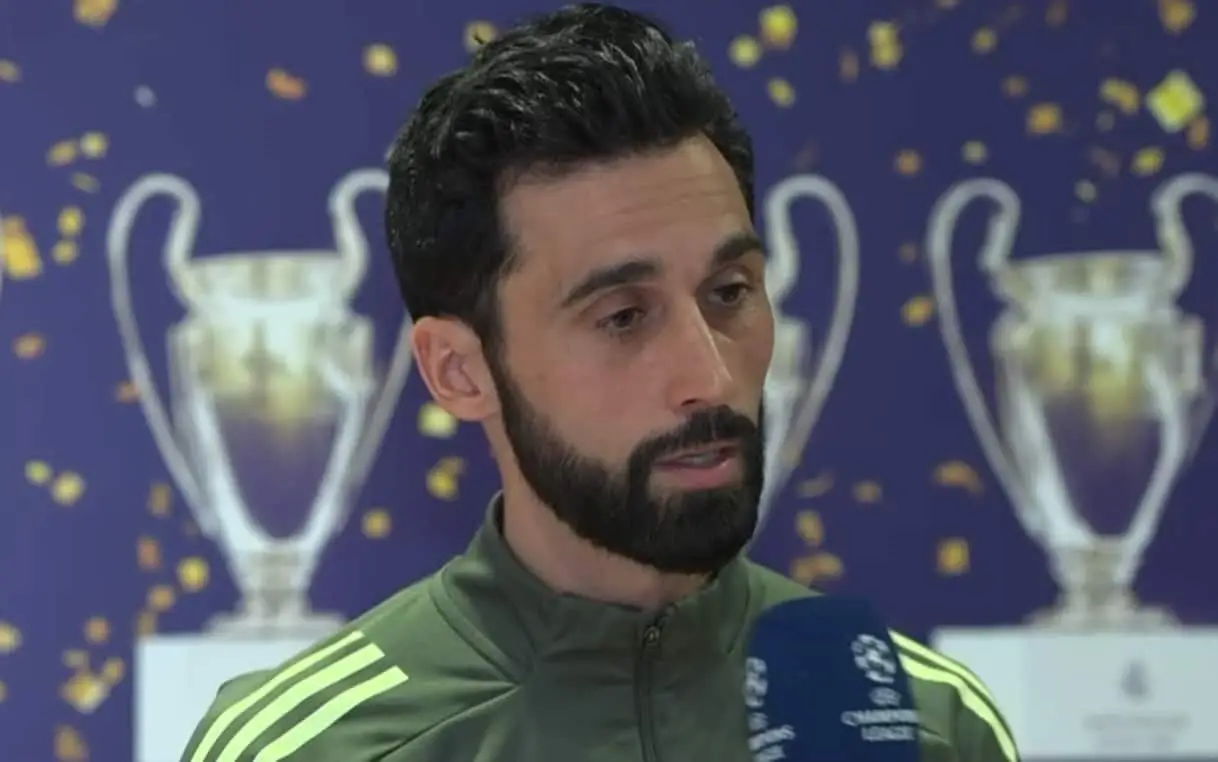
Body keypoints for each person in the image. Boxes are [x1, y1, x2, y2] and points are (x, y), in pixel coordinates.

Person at [180, 4, 1019, 761]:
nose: (710, 375)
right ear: (460, 371)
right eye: (623, 316)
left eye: (729, 293)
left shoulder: (932, 726)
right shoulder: (307, 749)